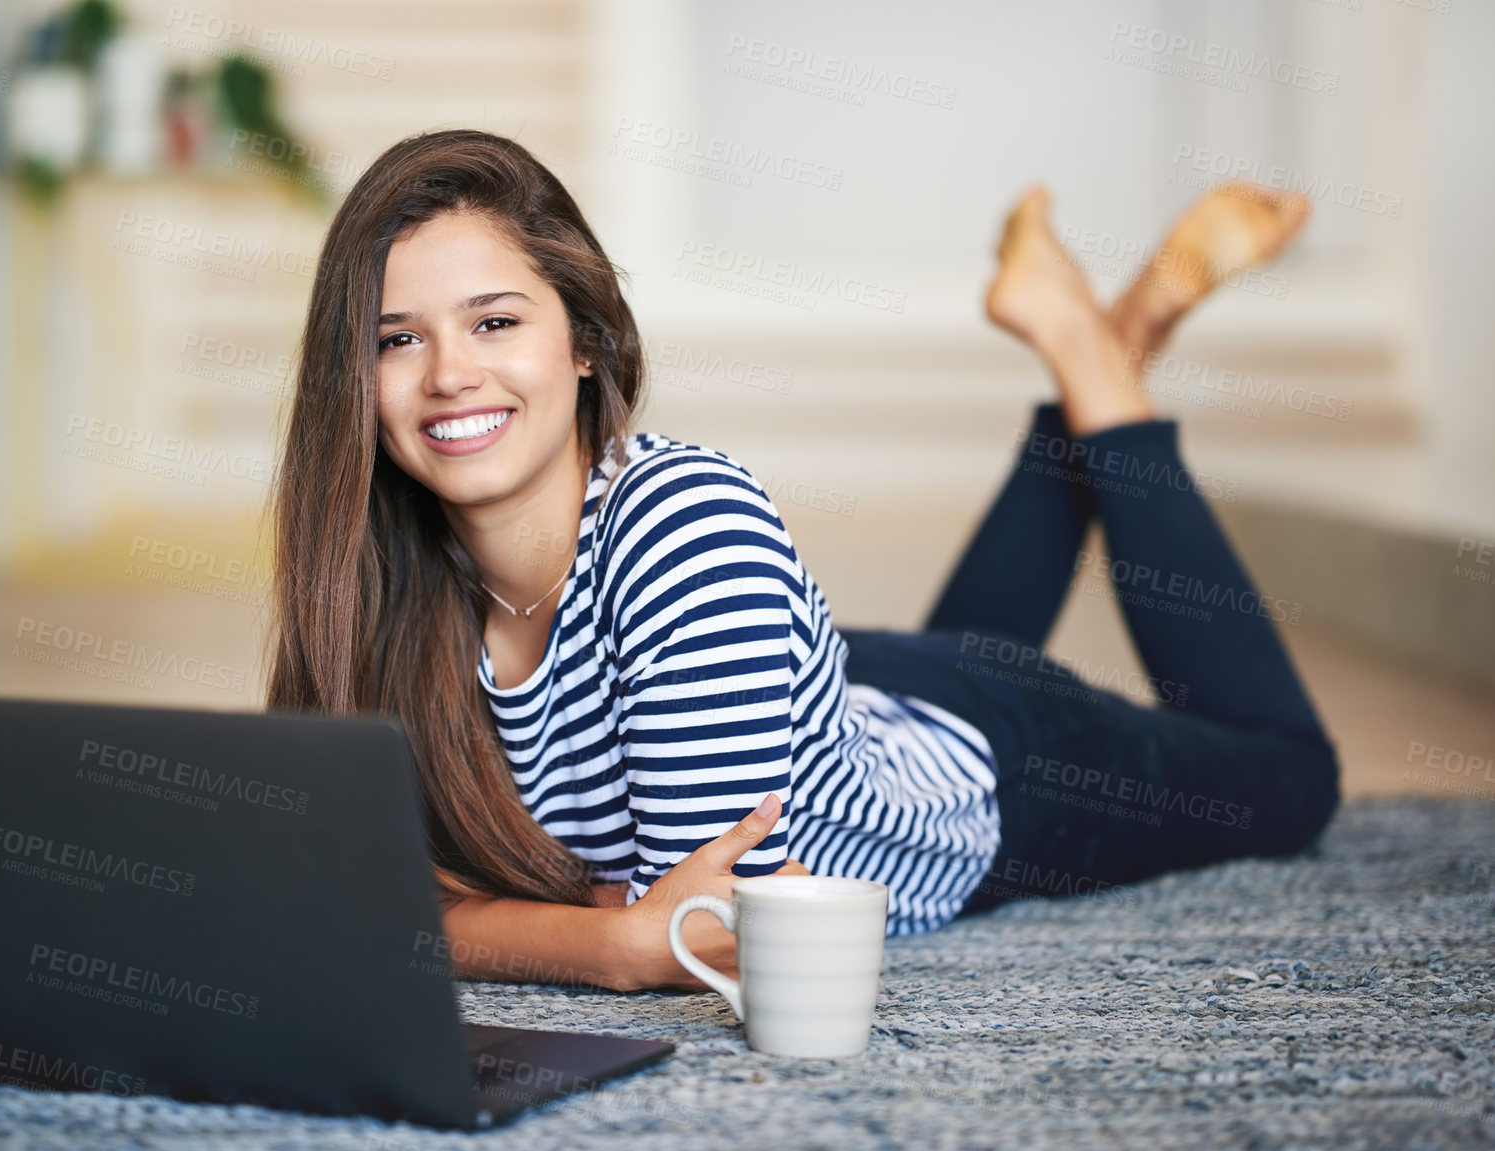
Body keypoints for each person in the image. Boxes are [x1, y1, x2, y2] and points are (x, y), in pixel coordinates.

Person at [267, 128, 1337, 993]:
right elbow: (342, 884)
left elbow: (706, 926)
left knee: (1290, 776)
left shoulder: (685, 523)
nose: (449, 373)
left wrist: (568, 927)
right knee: (950, 651)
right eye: (394, 339)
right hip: (838, 693)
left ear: (583, 342)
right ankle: (1103, 340)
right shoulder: (379, 576)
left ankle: (1105, 353)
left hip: (988, 769)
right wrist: (594, 933)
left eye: (494, 321)